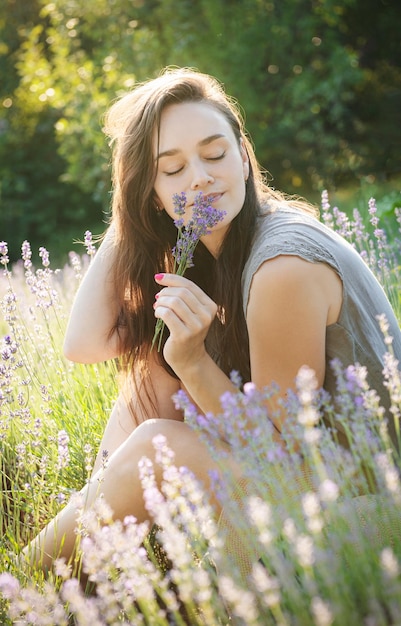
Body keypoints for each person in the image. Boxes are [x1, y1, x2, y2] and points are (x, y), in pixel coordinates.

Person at [23, 67, 401, 572]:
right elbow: (85, 343)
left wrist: (194, 361)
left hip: (369, 507)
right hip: (308, 483)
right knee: (154, 375)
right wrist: (135, 213)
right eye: (172, 168)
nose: (199, 176)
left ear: (244, 157)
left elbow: (279, 456)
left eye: (215, 153)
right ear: (151, 192)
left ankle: (24, 583)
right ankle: (90, 565)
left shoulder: (282, 267)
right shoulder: (212, 254)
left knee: (157, 445)